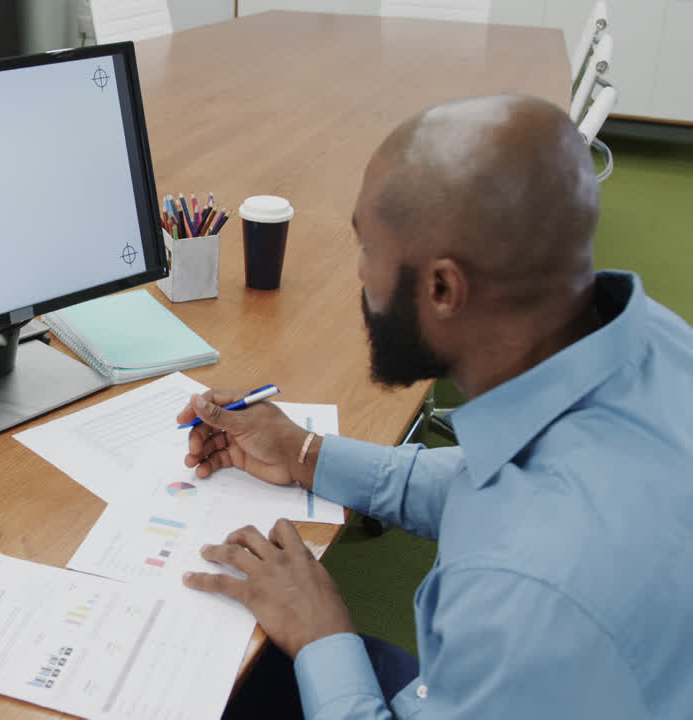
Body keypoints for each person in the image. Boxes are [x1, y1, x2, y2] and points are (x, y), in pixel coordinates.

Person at [176, 95, 693, 718]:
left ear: (443, 288)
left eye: (368, 251)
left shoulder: (535, 593)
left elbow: (534, 549)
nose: (360, 275)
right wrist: (306, 453)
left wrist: (322, 631)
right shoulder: (649, 340)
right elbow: (491, 479)